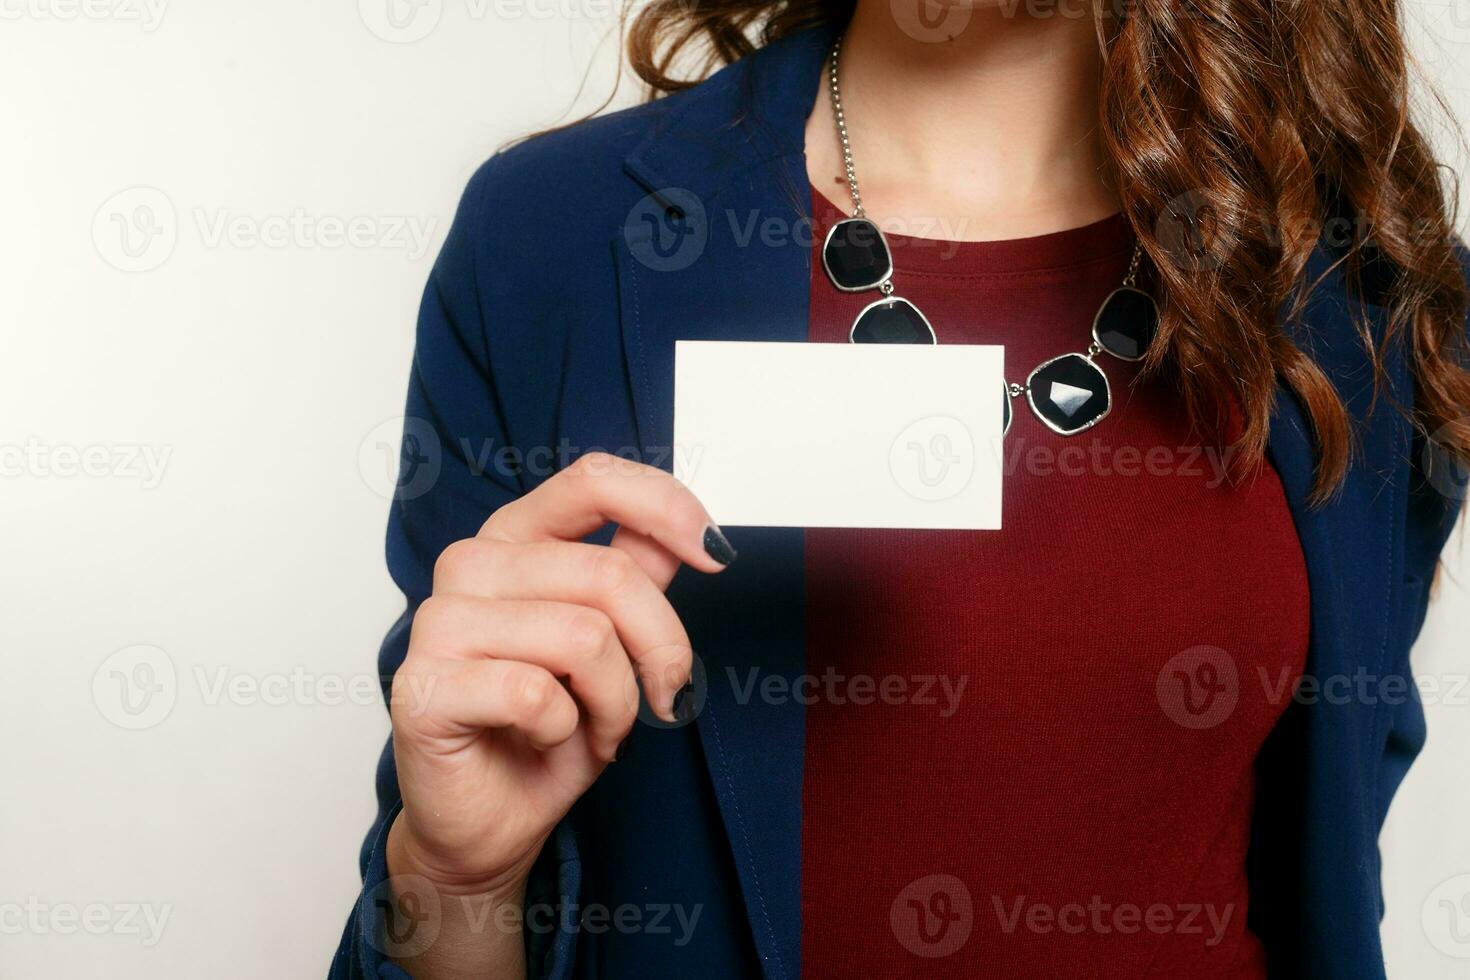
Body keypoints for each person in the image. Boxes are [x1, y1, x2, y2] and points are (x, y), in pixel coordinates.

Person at [330, 2, 1470, 977]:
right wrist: (451, 883)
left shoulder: (1372, 299)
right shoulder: (550, 242)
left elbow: (1323, 865)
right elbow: (448, 899)